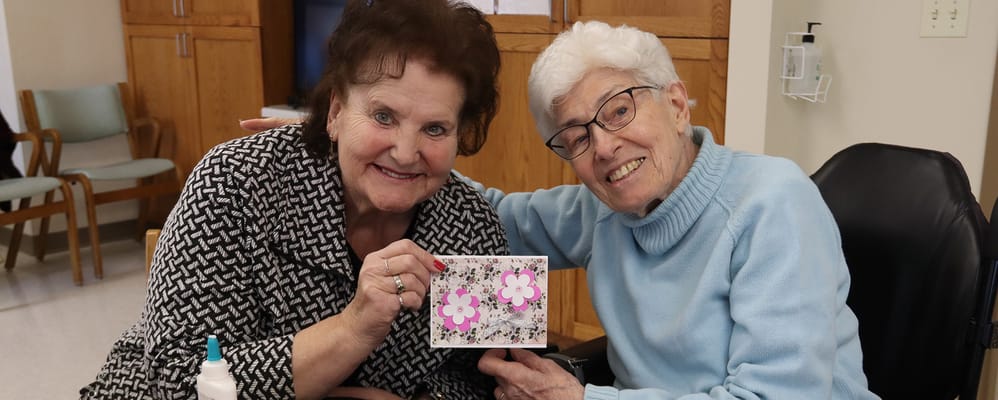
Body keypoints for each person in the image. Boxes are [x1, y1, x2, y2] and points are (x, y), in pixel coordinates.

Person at [80, 0, 506, 399]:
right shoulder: (237, 182)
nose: (406, 151)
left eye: (435, 129)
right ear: (336, 112)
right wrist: (353, 329)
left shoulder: (471, 223)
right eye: (383, 116)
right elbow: (179, 378)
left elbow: (488, 375)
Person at [468, 21, 879, 399]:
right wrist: (417, 151)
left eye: (620, 111)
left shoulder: (774, 203)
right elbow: (486, 215)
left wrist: (582, 397)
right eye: (577, 138)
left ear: (677, 105)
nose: (604, 147)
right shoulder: (599, 210)